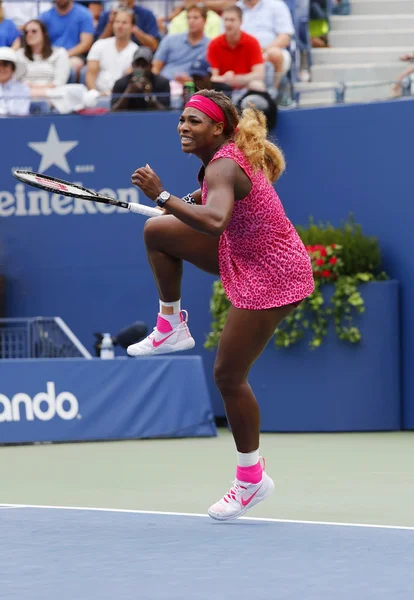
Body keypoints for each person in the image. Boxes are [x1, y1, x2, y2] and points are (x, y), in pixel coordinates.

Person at [127, 89, 314, 520]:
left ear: (217, 128)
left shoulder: (224, 164)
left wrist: (162, 197)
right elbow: (210, 207)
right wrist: (177, 206)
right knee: (158, 233)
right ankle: (170, 325)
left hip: (274, 272)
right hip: (243, 253)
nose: (183, 127)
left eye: (194, 121)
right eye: (181, 120)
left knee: (228, 376)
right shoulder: (221, 162)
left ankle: (251, 479)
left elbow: (214, 222)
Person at [207, 5, 265, 96]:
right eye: (226, 20)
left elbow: (259, 74)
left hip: (246, 88)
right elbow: (212, 77)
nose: (228, 24)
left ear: (241, 22)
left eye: (232, 20)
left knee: (257, 85)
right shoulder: (214, 44)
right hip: (223, 89)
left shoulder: (252, 42)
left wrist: (236, 79)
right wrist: (225, 79)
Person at [152, 4, 209, 84]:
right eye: (188, 18)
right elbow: (155, 67)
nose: (191, 21)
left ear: (204, 20)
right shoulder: (170, 39)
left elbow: (210, 75)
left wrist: (193, 81)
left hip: (193, 88)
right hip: (165, 85)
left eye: (195, 18)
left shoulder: (210, 46)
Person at [85, 8, 137, 95]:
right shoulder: (99, 45)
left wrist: (110, 94)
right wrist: (94, 93)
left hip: (122, 99)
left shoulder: (136, 51)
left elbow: (130, 81)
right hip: (97, 96)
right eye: (117, 22)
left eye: (124, 23)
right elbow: (91, 73)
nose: (120, 26)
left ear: (132, 27)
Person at [39, 0, 94, 80]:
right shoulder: (45, 16)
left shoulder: (84, 14)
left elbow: (86, 44)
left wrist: (63, 55)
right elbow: (38, 39)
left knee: (71, 67)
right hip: (49, 55)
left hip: (74, 56)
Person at [16, 20, 70, 99]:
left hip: (52, 95)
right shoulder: (19, 54)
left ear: (44, 33)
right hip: (25, 95)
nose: (29, 34)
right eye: (26, 32)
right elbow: (17, 81)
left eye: (34, 31)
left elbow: (59, 82)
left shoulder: (60, 53)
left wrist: (38, 89)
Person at [111, 46, 170, 111]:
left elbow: (166, 111)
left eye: (144, 65)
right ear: (132, 65)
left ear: (151, 66)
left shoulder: (162, 83)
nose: (140, 69)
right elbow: (114, 110)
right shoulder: (120, 83)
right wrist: (129, 92)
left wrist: (149, 96)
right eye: (137, 64)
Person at [0, 46, 30, 116]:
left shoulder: (22, 88)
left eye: (5, 64)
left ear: (13, 68)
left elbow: (20, 111)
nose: (1, 68)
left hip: (16, 125)